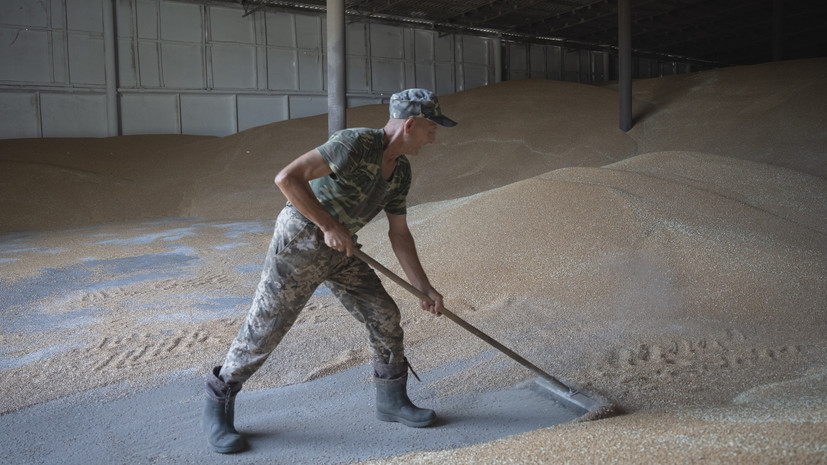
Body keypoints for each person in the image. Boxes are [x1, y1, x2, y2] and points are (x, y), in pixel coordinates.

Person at [203, 89, 458, 454]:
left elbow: (399, 234)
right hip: (301, 241)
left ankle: (392, 401)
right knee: (264, 331)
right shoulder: (355, 143)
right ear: (411, 123)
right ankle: (217, 406)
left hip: (342, 249)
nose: (435, 135)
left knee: (384, 315)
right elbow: (287, 178)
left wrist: (424, 288)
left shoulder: (400, 172)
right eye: (431, 127)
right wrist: (327, 224)